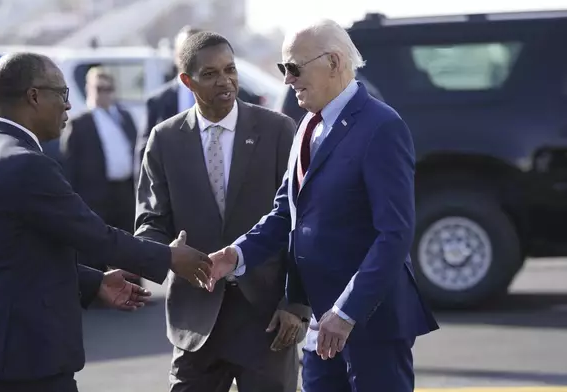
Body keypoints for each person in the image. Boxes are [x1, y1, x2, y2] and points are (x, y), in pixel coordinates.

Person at [0, 52, 212, 392]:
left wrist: (93, 282)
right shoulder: (25, 163)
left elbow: (17, 256)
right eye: (62, 94)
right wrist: (171, 257)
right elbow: (96, 236)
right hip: (25, 353)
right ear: (34, 96)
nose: (68, 106)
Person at [208, 20, 439, 392]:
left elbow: (394, 234)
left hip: (369, 323)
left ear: (333, 62)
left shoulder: (382, 126)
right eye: (284, 69)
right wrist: (235, 255)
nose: (287, 80)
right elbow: (286, 213)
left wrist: (347, 311)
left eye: (294, 68)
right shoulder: (306, 126)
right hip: (318, 323)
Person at [135, 31, 311, 392]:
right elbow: (150, 222)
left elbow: (303, 222)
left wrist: (297, 304)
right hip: (195, 321)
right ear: (187, 80)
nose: (226, 80)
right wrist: (162, 254)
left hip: (267, 319)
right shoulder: (165, 139)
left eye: (230, 69)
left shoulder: (278, 130)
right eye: (211, 73)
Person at [136, 25, 260, 163]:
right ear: (176, 55)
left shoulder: (241, 95)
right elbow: (146, 153)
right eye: (186, 51)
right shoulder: (157, 102)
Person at [60, 67, 140, 234]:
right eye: (99, 88)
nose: (104, 94)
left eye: (108, 89)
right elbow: (69, 166)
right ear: (89, 89)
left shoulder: (124, 117)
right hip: (95, 196)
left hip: (125, 193)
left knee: (127, 239)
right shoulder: (80, 123)